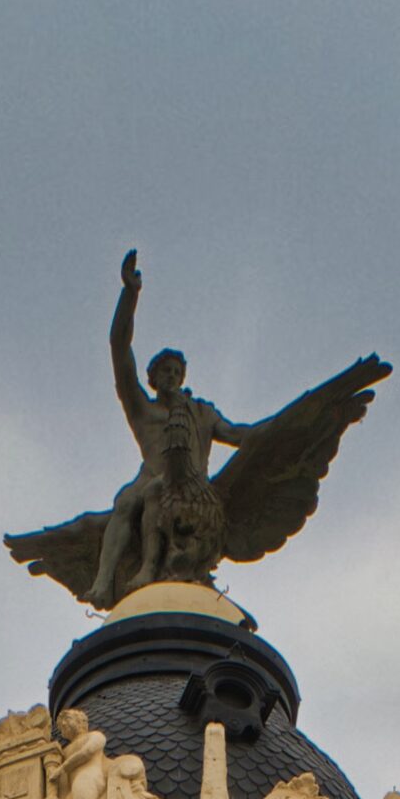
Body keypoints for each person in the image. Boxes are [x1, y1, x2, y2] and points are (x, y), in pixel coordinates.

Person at [88, 251, 255, 606]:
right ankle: (103, 582)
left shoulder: (201, 412)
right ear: (153, 378)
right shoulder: (142, 408)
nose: (172, 377)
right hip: (151, 476)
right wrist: (130, 294)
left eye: (177, 372)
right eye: (166, 371)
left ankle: (155, 567)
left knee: (156, 492)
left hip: (192, 486)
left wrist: (278, 428)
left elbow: (238, 434)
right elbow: (119, 347)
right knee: (126, 501)